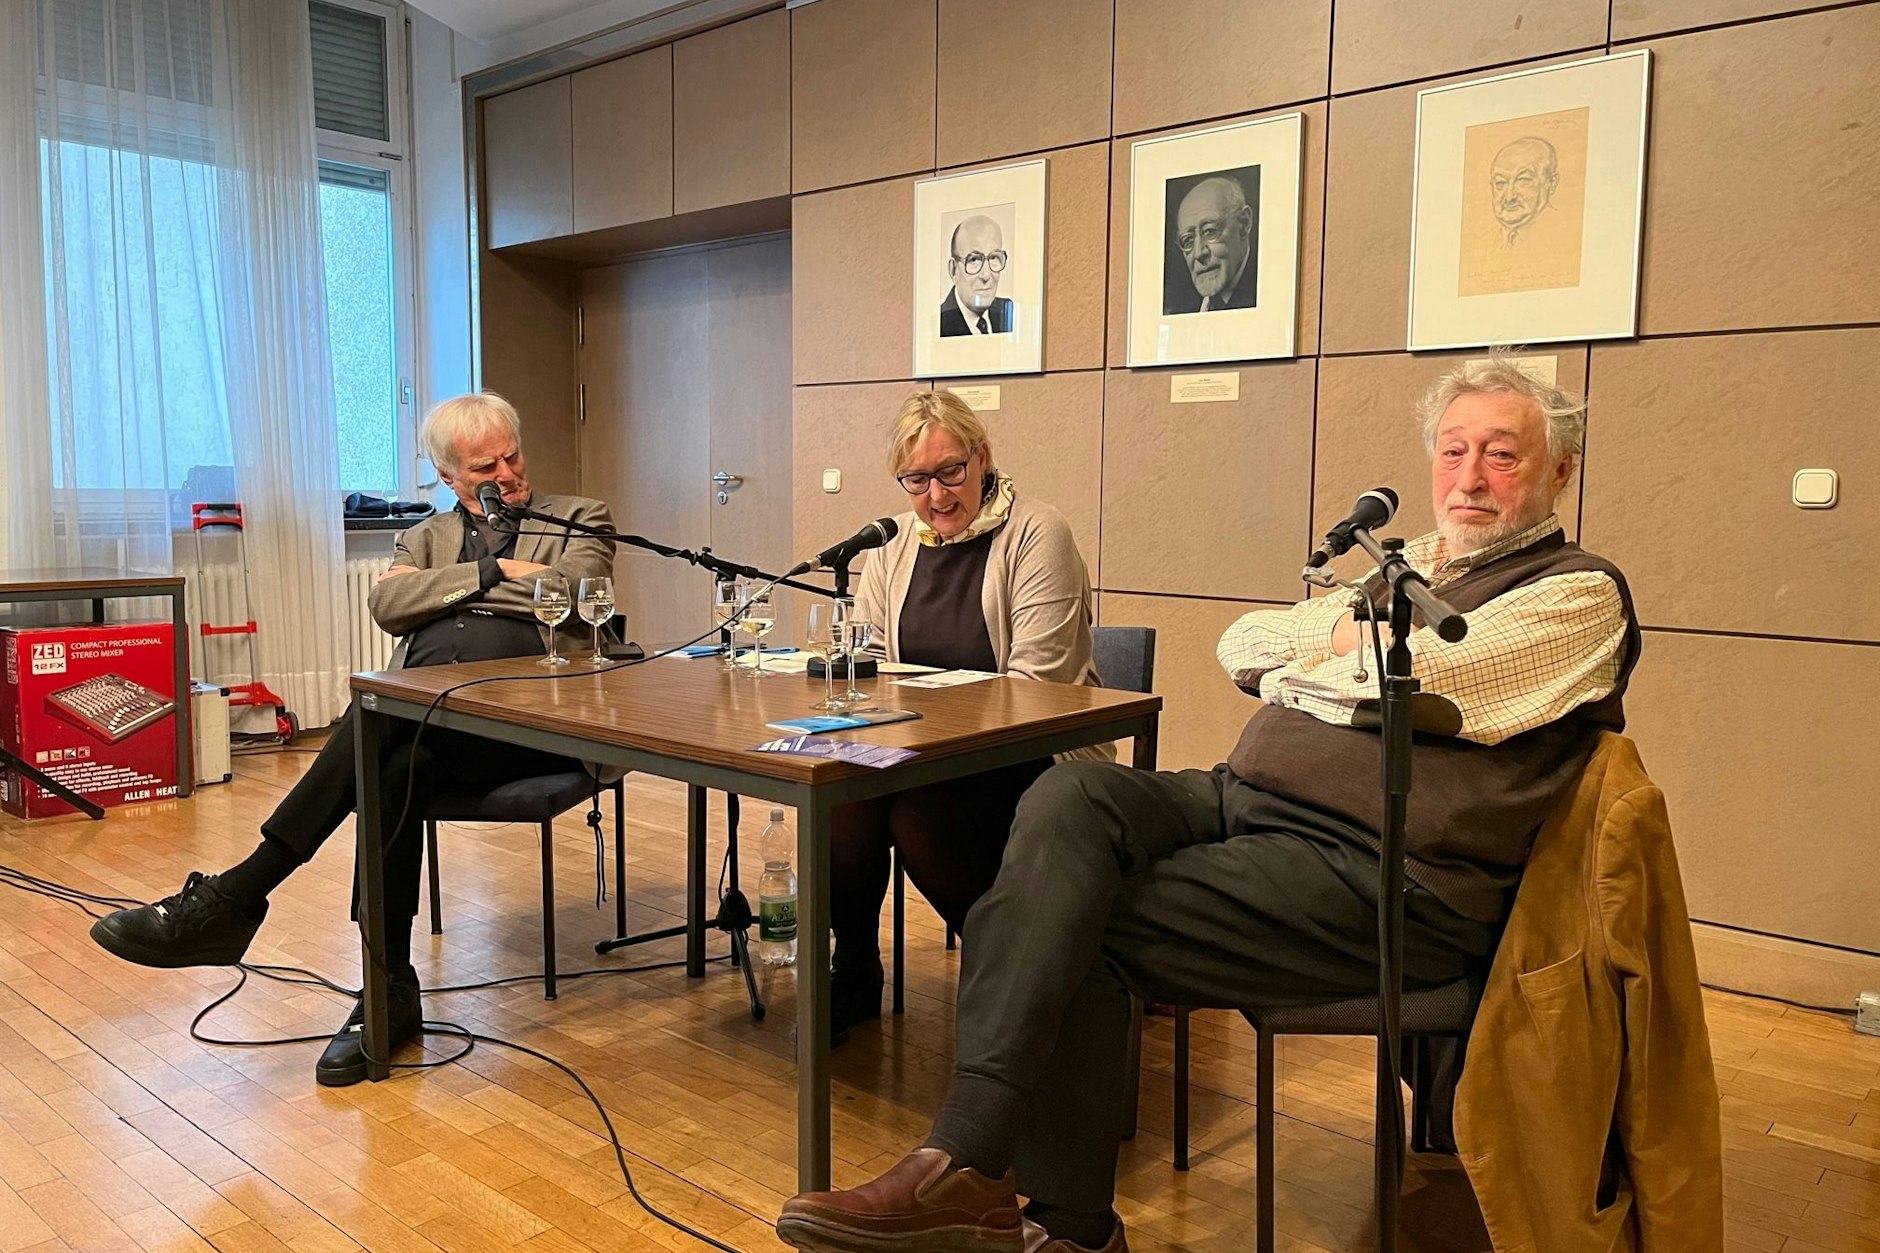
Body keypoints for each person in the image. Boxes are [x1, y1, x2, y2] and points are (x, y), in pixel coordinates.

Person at [776, 355, 1640, 1253]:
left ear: (1560, 470)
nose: (1470, 478)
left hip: (1386, 869)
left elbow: (1438, 674)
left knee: (1062, 915)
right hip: (1248, 798)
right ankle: (992, 1183)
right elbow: (1246, 641)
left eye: (1501, 454)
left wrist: (1320, 654)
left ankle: (1007, 1189)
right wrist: (1335, 644)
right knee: (1074, 792)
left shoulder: (1579, 592)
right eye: (1453, 451)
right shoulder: (1411, 565)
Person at [89, 392, 617, 1086]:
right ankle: (386, 990)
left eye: (511, 457)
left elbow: (573, 595)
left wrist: (444, 590)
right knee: (392, 765)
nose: (507, 474)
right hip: (435, 731)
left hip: (531, 727)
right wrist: (495, 573)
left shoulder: (578, 517)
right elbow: (388, 604)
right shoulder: (424, 535)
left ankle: (240, 895)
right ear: (449, 477)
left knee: (373, 719)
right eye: (484, 467)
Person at [825, 389, 1104, 1045]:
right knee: (839, 793)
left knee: (919, 810)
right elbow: (870, 661)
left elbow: (1037, 689)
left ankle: (1022, 977)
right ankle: (855, 970)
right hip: (922, 749)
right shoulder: (892, 544)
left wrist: (920, 722)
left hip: (1033, 752)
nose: (937, 495)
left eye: (950, 471)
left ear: (982, 457)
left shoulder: (1037, 531)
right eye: (916, 479)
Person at [1169, 175, 1255, 314]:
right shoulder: (1178, 310)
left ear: (1243, 224)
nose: (1199, 253)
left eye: (1210, 231)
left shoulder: (1270, 294)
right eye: (1188, 240)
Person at [939, 216, 1015, 337]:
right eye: (974, 260)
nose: (986, 275)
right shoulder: (939, 324)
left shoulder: (1009, 313)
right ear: (953, 270)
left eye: (994, 258)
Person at [1489, 136, 1560, 247]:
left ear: (1551, 183)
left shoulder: (1565, 233)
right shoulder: (1481, 243)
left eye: (1523, 180)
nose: (1509, 197)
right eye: (1500, 183)